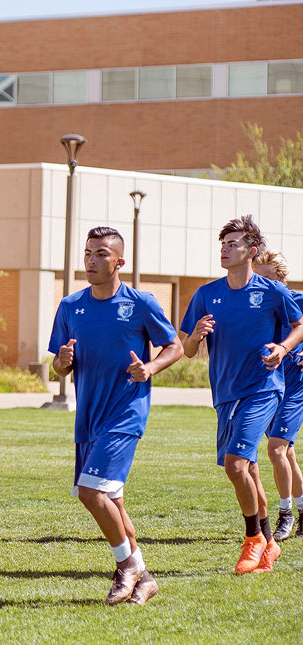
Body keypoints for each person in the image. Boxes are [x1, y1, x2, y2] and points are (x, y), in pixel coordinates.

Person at [50, 226, 182, 605]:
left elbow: (173, 346)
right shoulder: (70, 305)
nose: (92, 260)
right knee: (113, 500)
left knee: (91, 492)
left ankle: (126, 566)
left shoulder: (141, 303)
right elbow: (59, 367)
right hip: (88, 416)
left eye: (101, 254)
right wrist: (61, 362)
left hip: (125, 412)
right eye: (88, 252)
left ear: (119, 261)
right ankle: (145, 577)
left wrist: (151, 369)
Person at [180, 215, 303, 574]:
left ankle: (252, 540)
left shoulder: (272, 292)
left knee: (236, 464)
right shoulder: (206, 294)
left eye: (233, 244)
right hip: (225, 394)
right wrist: (196, 335)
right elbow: (186, 350)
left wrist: (283, 348)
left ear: (251, 251)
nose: (224, 248)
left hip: (264, 390)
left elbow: (299, 325)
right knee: (247, 469)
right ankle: (268, 544)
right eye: (223, 243)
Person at [252, 248, 303, 540]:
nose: (260, 284)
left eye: (266, 278)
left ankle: (285, 515)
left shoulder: (296, 300)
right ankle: (302, 512)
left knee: (275, 449)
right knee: (287, 452)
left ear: (281, 277)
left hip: (296, 386)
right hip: (270, 386)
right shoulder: (258, 305)